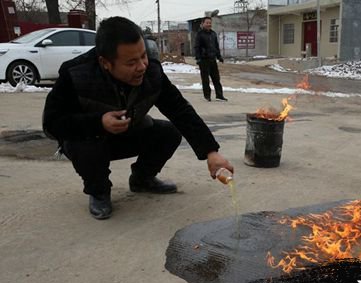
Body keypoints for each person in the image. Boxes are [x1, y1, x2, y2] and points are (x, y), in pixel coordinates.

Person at [43, 16, 233, 220]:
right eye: (131, 62)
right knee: (87, 143)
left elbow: (181, 110)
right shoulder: (76, 75)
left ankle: (142, 179)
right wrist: (98, 123)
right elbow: (52, 123)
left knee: (168, 132)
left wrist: (211, 152)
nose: (142, 66)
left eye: (143, 56)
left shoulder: (152, 72)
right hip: (89, 142)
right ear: (105, 62)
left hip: (127, 134)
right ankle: (98, 191)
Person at [194, 17, 228, 102]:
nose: (209, 24)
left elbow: (216, 46)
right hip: (203, 60)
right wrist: (198, 58)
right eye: (207, 23)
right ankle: (207, 96)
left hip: (212, 59)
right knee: (205, 80)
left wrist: (219, 56)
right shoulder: (200, 34)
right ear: (203, 24)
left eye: (210, 23)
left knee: (216, 79)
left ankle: (219, 95)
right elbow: (197, 47)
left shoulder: (213, 34)